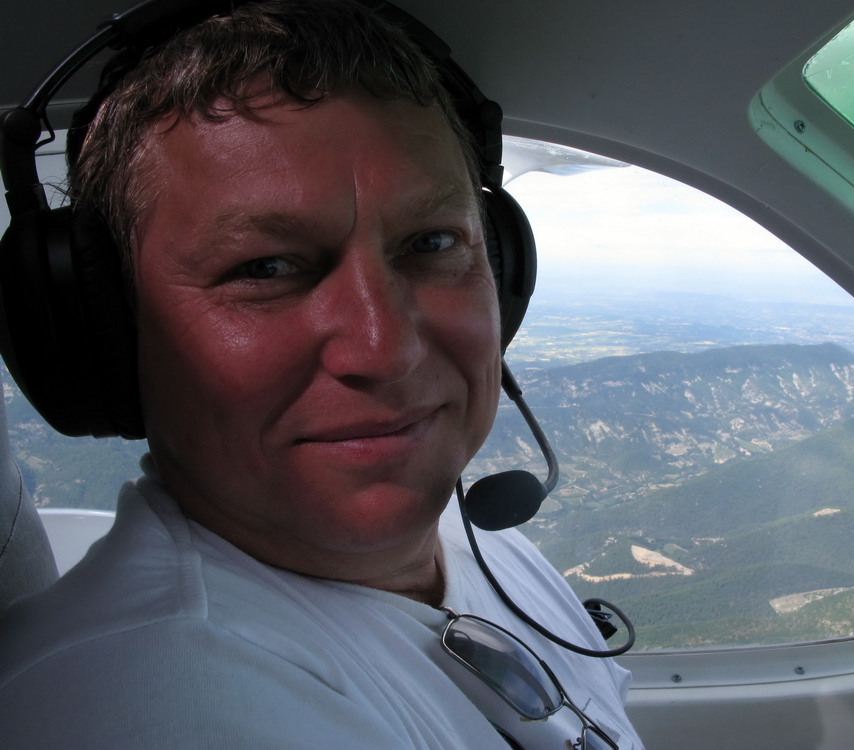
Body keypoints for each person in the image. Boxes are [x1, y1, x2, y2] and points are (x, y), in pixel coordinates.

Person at [0, 1, 644, 748]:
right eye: (264, 267)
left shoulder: (489, 555)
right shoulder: (160, 704)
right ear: (106, 330)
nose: (384, 349)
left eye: (432, 243)